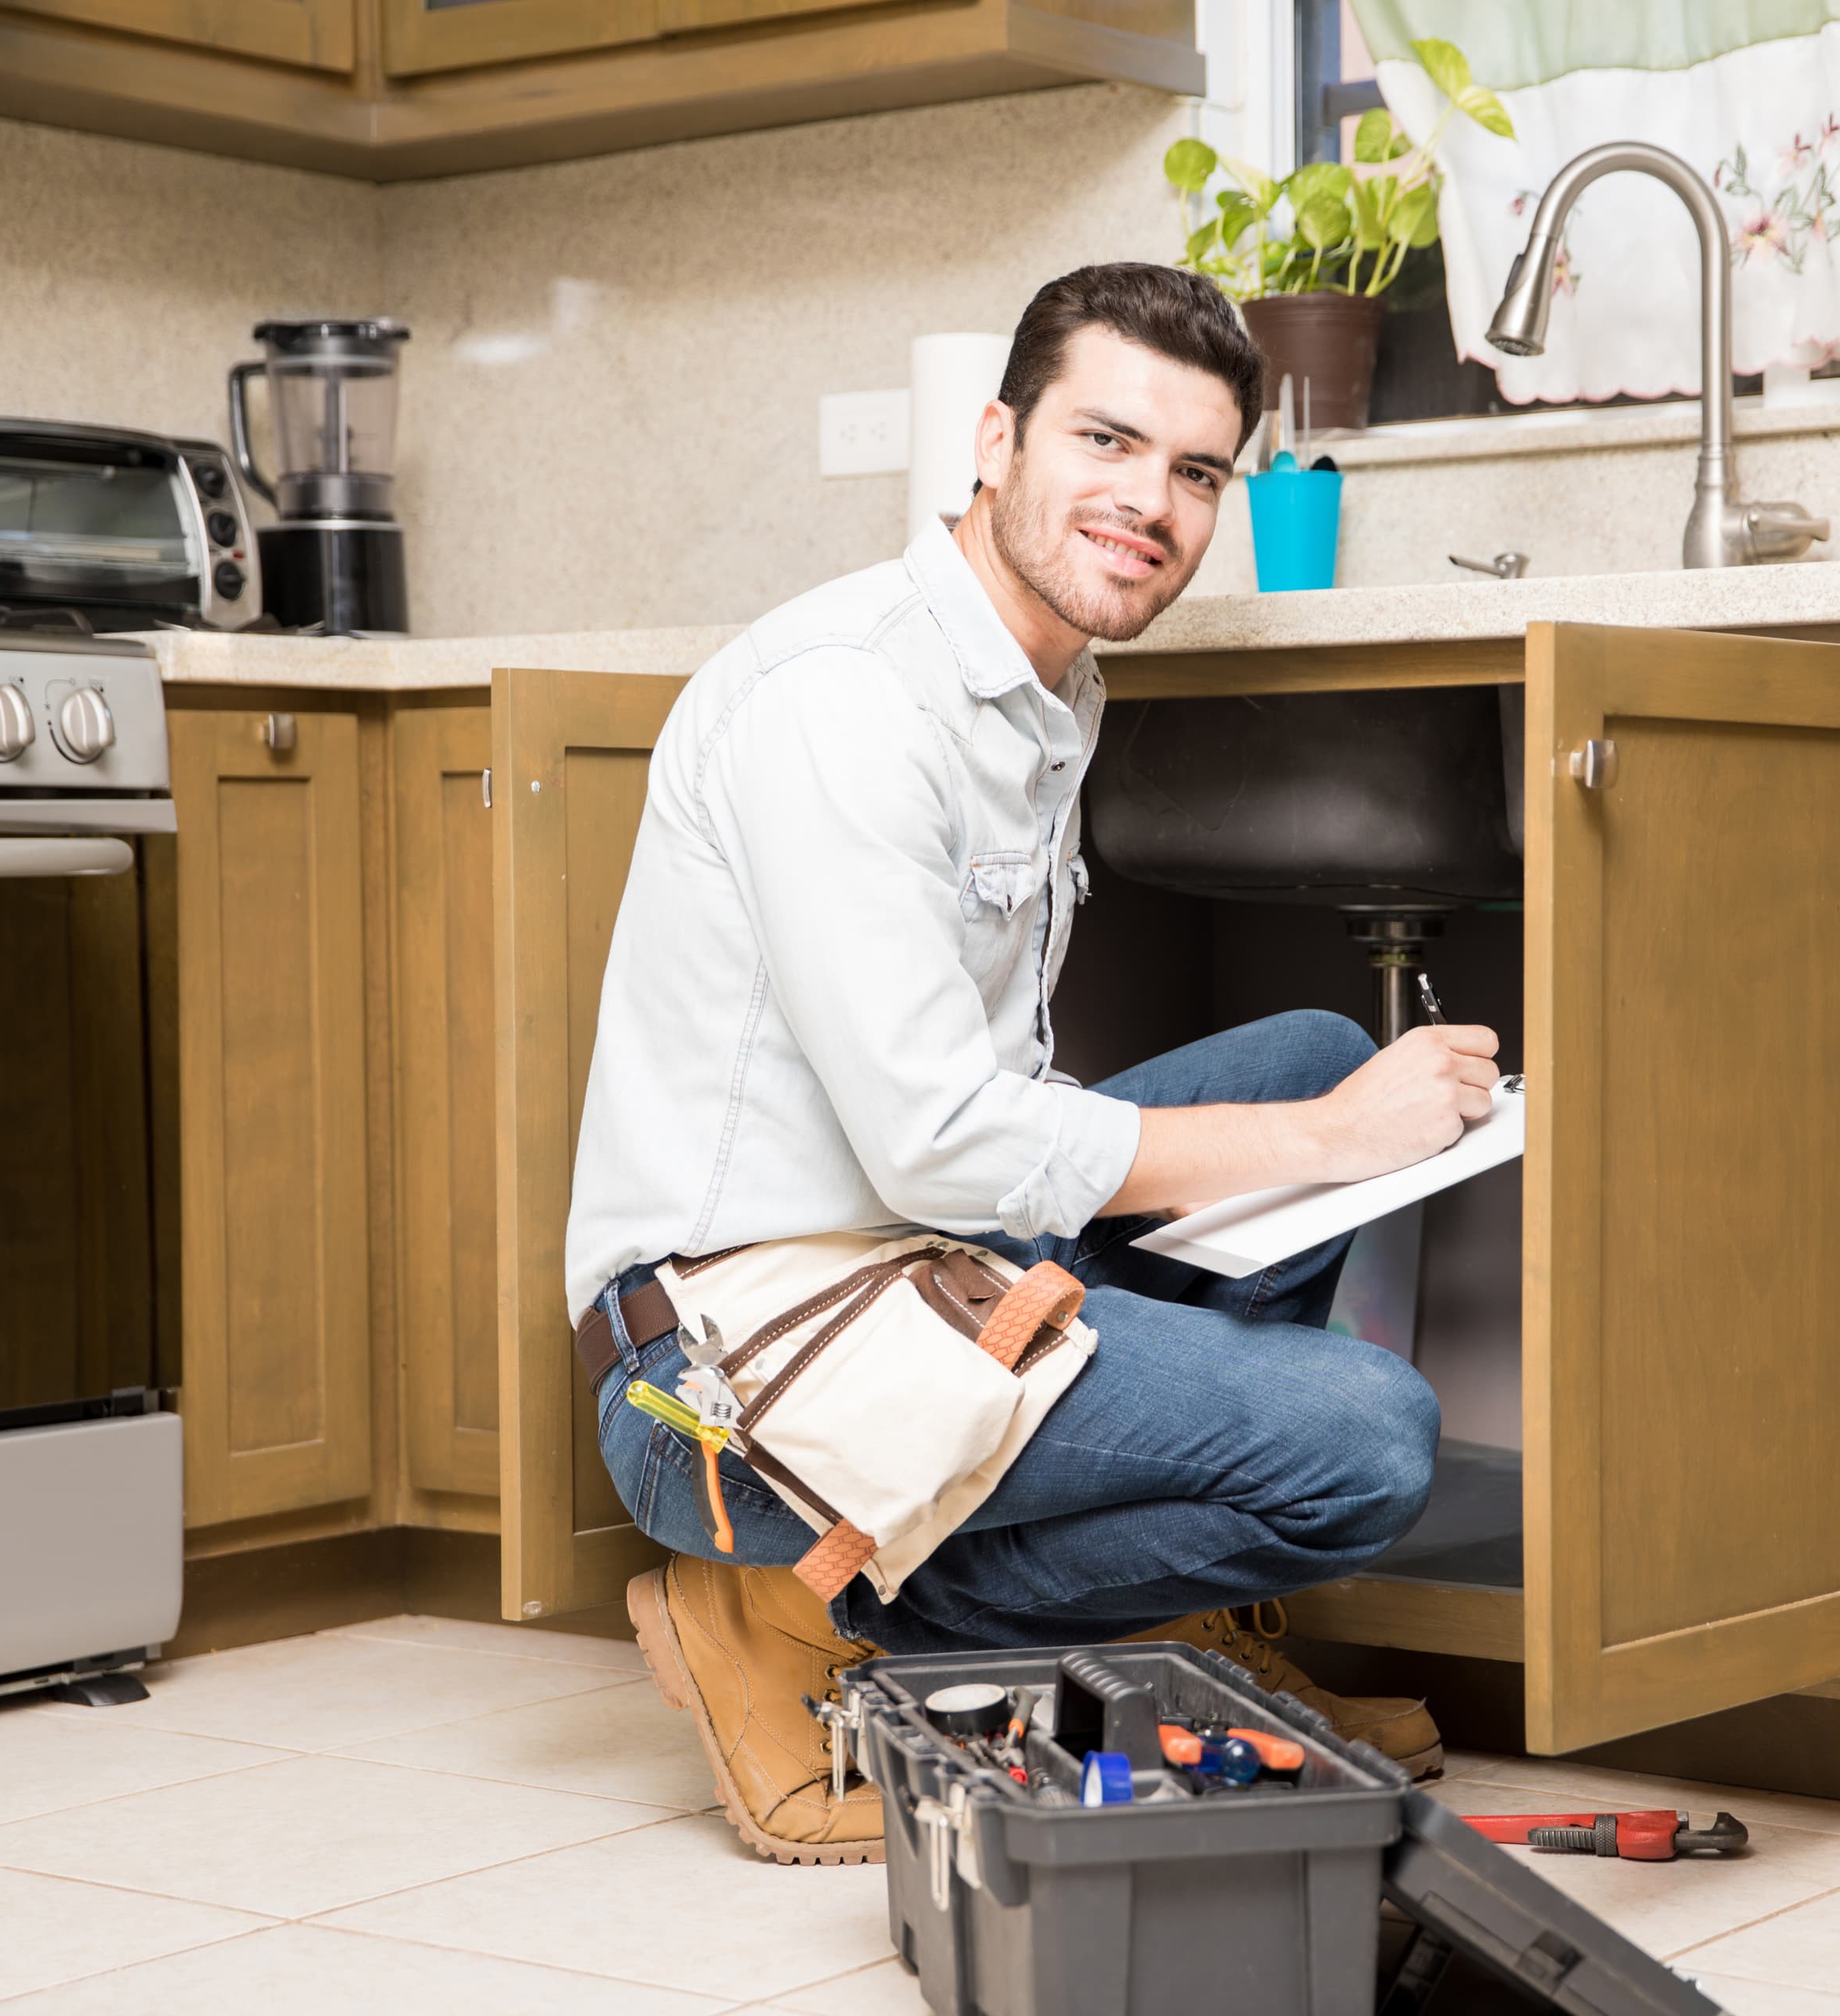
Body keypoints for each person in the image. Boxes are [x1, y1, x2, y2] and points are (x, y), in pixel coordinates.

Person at [567, 263, 1503, 1863]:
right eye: (1107, 440)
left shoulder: (1042, 682)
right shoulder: (848, 701)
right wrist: (1330, 1141)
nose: (1149, 501)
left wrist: (1325, 1110)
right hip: (729, 1368)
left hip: (913, 1254)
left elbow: (977, 1129)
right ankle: (787, 1613)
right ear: (996, 441)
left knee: (1309, 1046)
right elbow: (937, 1139)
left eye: (1195, 471)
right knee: (1369, 1437)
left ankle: (1159, 1629)